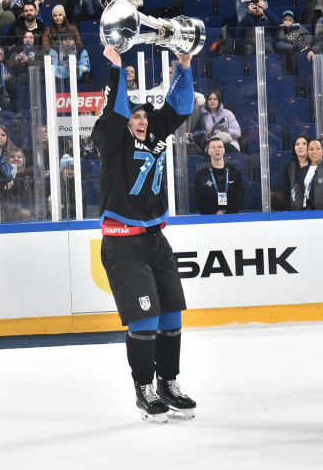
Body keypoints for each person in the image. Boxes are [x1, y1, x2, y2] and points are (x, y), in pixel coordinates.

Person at [91, 44, 196, 423]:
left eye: (144, 116)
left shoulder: (154, 132)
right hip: (122, 243)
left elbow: (180, 107)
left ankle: (168, 383)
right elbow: (116, 110)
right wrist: (116, 68)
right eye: (135, 116)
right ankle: (144, 388)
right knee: (145, 319)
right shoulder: (112, 138)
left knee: (172, 317)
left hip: (155, 239)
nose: (142, 120)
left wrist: (184, 66)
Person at [194, 136, 245, 214]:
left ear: (224, 150)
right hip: (210, 218)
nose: (217, 149)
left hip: (232, 216)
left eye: (220, 147)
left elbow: (240, 196)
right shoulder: (202, 175)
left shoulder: (233, 172)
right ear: (209, 151)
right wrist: (214, 212)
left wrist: (229, 212)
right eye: (213, 147)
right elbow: (199, 200)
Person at [292, 138, 323, 210]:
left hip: (320, 211)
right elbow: (298, 192)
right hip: (303, 211)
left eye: (318, 149)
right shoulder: (302, 171)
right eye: (311, 149)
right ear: (307, 152)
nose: (314, 152)